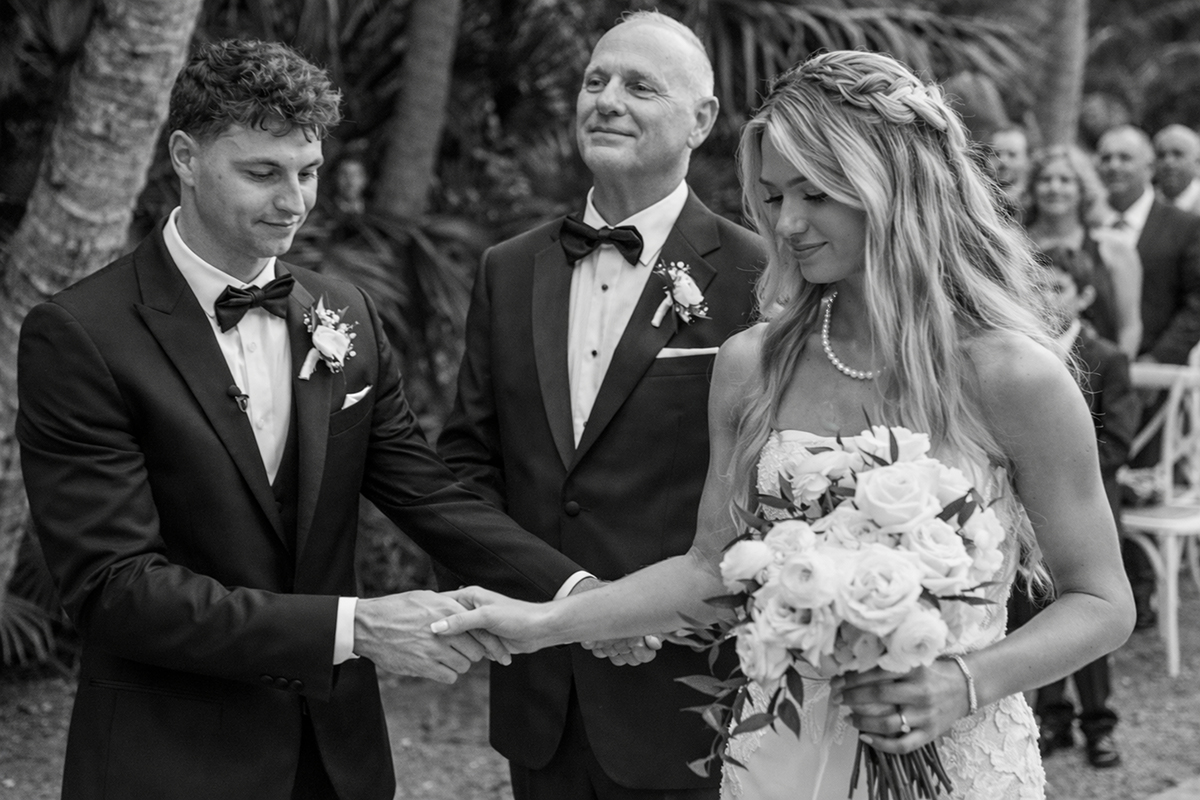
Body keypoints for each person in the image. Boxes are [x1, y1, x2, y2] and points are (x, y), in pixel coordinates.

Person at [432, 50, 1136, 800]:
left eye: (817, 194)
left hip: (955, 757)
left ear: (894, 185)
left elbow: (1101, 601)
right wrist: (541, 622)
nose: (787, 224)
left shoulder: (1012, 377)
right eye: (771, 196)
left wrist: (962, 682)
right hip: (780, 757)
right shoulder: (751, 363)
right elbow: (710, 572)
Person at [16, 39, 595, 800]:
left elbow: (428, 493)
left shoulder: (343, 311)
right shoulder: (80, 334)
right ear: (185, 157)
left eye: (309, 172)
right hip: (168, 760)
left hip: (337, 759)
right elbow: (116, 590)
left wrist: (581, 597)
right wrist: (356, 628)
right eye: (261, 173)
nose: (293, 201)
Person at [434, 11, 764, 800]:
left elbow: (780, 483)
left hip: (697, 697)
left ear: (702, 120)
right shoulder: (508, 270)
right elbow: (466, 471)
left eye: (639, 86)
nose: (607, 99)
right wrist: (556, 601)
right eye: (595, 81)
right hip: (543, 697)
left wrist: (652, 612)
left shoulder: (760, 277)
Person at [1008, 246, 1139, 769]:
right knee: (1033, 615)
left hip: (1087, 513)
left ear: (1085, 296)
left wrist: (1051, 471)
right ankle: (1051, 715)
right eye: (1035, 285)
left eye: (1056, 287)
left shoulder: (1107, 356)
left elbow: (1119, 441)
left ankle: (1098, 723)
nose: (1043, 296)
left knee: (1084, 610)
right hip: (1025, 516)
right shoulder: (1017, 353)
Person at [1096, 123, 1200, 629]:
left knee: (1135, 481)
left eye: (1125, 157)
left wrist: (1155, 363)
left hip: (1155, 385)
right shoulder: (1084, 221)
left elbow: (1195, 302)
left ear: (1146, 167)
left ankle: (1137, 594)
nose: (1114, 166)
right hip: (1092, 378)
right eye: (1106, 157)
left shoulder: (1180, 225)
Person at [1024, 144, 1143, 359]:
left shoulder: (1115, 249)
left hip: (1097, 373)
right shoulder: (1012, 245)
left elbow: (1129, 327)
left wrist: (1117, 373)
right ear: (1032, 188)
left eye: (1066, 180)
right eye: (1045, 180)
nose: (1055, 188)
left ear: (1083, 189)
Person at [988, 124, 1032, 222]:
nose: (1002, 160)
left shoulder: (1037, 205)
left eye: (1012, 154)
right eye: (996, 154)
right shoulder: (979, 203)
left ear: (1028, 159)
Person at [1153, 123, 1200, 215]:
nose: (1168, 162)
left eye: (1178, 154)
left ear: (1197, 161)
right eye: (1161, 155)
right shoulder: (1145, 203)